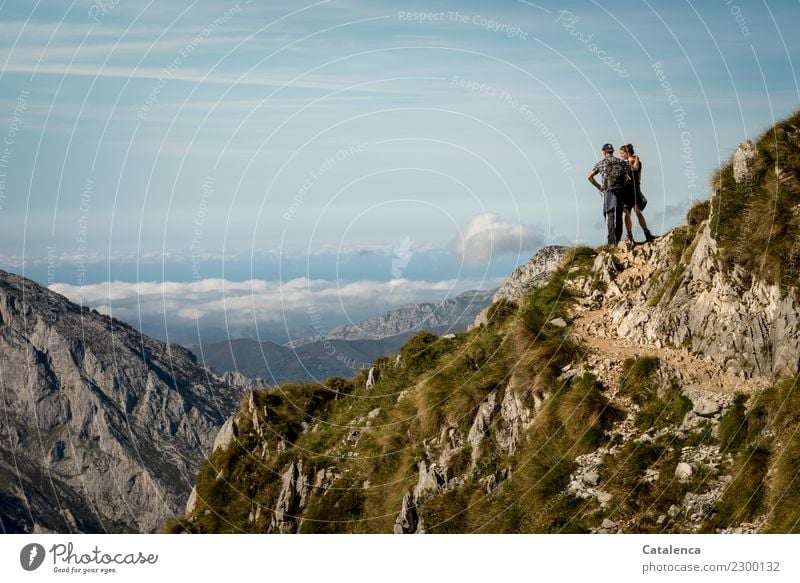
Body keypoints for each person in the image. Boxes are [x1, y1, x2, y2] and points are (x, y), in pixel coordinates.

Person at [587, 143, 628, 245]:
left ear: (604, 152)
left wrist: (599, 186)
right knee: (619, 215)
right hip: (620, 191)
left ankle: (611, 241)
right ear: (612, 152)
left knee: (610, 215)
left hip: (608, 191)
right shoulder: (621, 162)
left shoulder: (601, 163)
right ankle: (618, 240)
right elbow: (627, 177)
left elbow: (589, 176)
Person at [619, 144, 655, 244]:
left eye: (622, 153)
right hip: (632, 190)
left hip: (630, 190)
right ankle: (646, 234)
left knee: (629, 213)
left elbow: (635, 168)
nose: (621, 155)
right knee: (634, 212)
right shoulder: (633, 161)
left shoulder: (632, 162)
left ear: (627, 153)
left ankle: (631, 236)